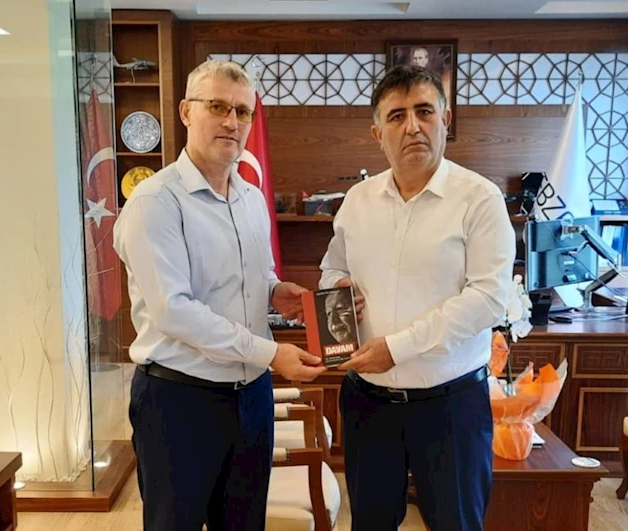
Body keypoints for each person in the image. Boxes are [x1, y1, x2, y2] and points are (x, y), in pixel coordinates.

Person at [113, 59, 327, 531]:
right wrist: (271, 353)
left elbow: (256, 275)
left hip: (252, 399)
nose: (231, 122)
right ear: (186, 112)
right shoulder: (155, 202)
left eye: (243, 112)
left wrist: (276, 291)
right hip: (178, 401)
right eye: (217, 107)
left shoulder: (250, 198)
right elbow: (175, 310)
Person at [319, 64, 516, 530]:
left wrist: (399, 347)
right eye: (397, 116)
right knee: (370, 523)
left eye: (424, 111)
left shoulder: (480, 199)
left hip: (450, 406)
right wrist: (339, 288)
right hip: (368, 403)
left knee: (456, 523)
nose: (412, 126)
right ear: (377, 133)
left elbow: (489, 298)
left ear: (445, 120)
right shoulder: (357, 201)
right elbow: (332, 268)